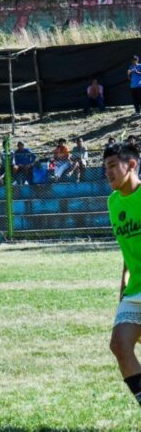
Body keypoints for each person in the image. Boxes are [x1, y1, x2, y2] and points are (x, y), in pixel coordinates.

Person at [104, 142, 141, 413]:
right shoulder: (113, 202)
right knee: (119, 344)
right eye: (104, 168)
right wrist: (122, 291)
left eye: (112, 166)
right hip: (135, 289)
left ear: (131, 165)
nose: (108, 172)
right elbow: (126, 252)